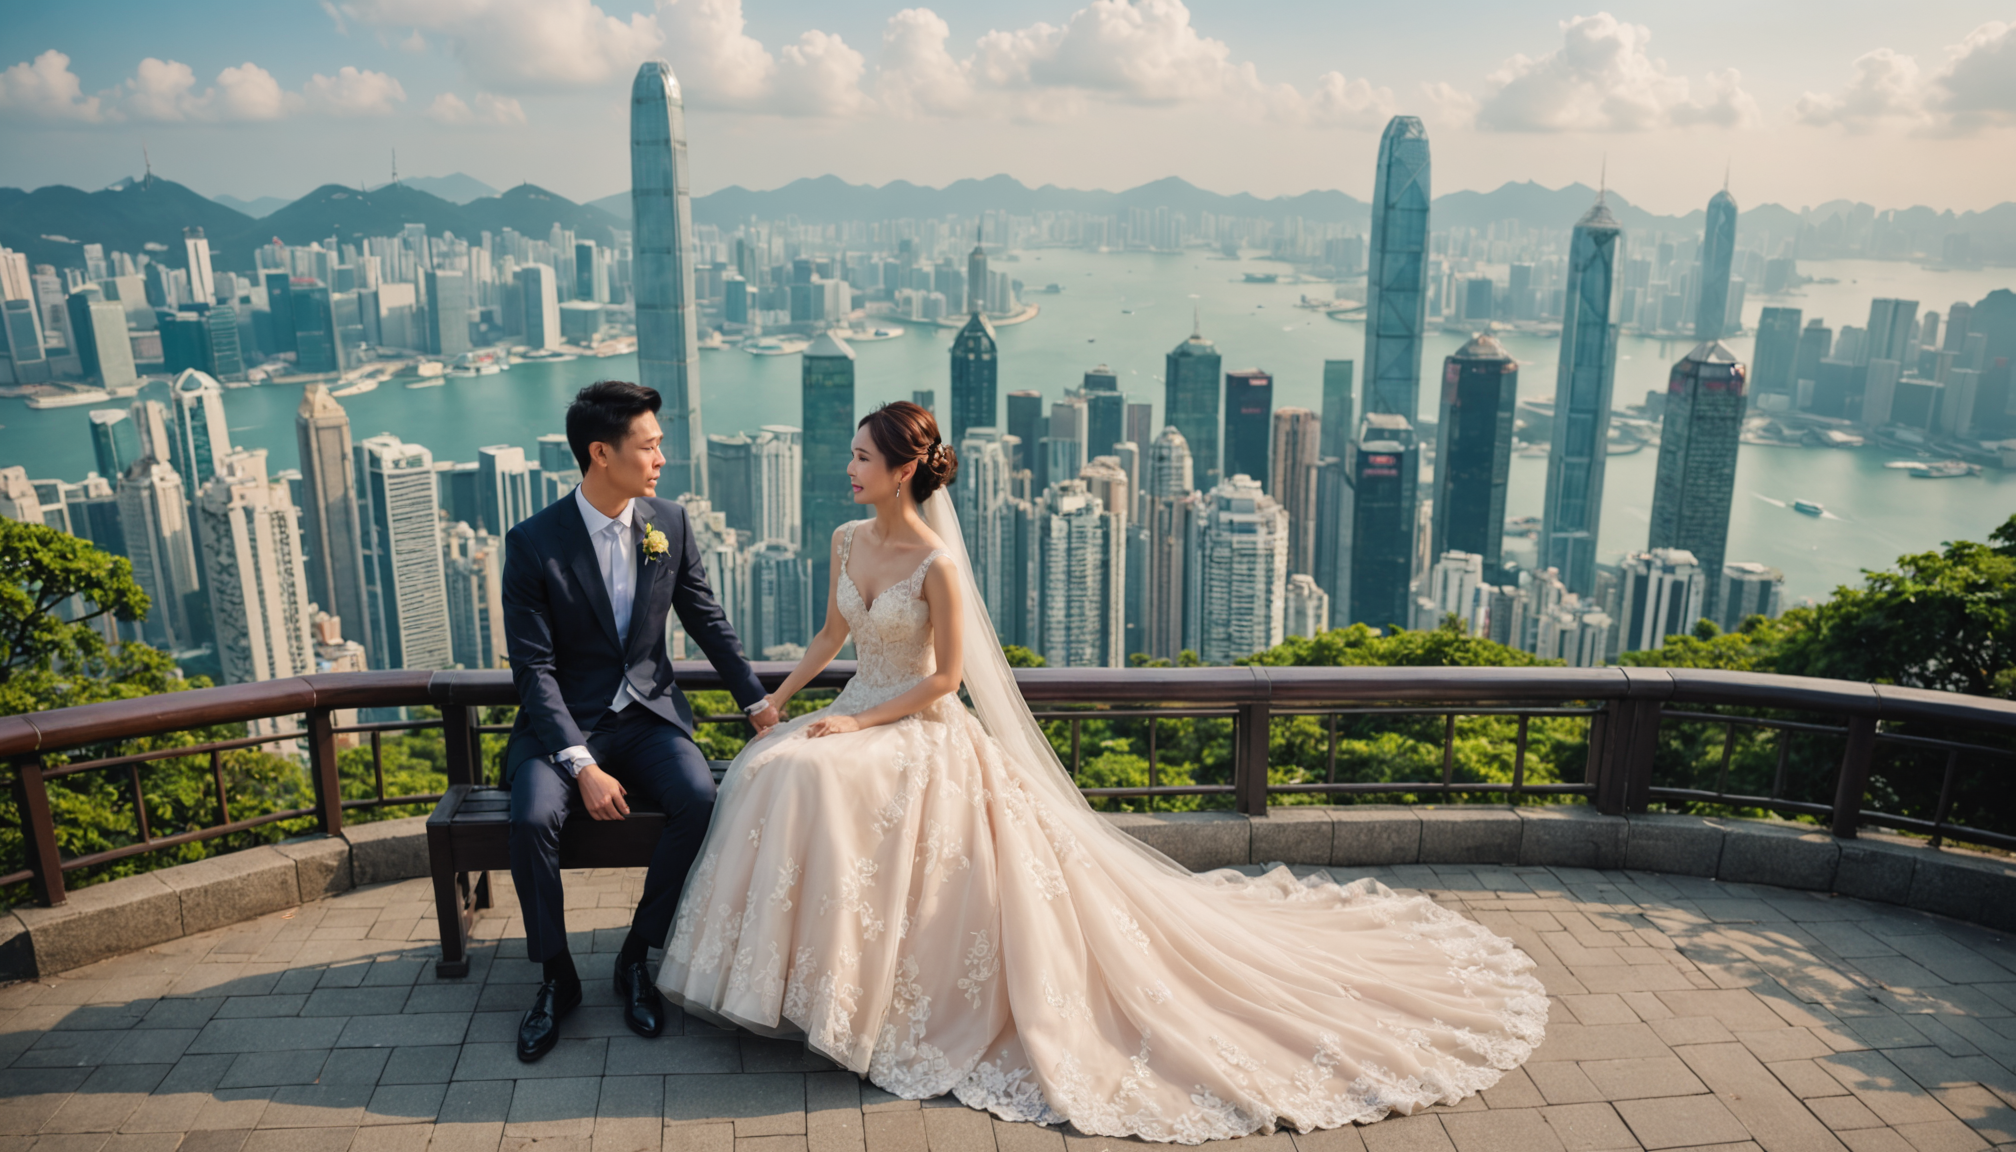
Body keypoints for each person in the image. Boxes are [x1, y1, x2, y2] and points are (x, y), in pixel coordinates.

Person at [657, 401, 1547, 1143]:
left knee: (813, 779)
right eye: (850, 455)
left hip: (917, 724)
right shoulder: (848, 538)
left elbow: (947, 679)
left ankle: (858, 998)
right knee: (769, 764)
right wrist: (781, 704)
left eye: (860, 457)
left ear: (903, 469)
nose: (847, 468)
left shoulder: (938, 563)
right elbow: (830, 636)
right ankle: (793, 980)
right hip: (857, 717)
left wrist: (852, 723)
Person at [502, 380, 779, 1063]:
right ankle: (556, 976)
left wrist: (756, 702)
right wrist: (581, 764)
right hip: (562, 729)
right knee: (533, 818)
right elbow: (533, 672)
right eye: (649, 445)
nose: (661, 458)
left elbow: (707, 621)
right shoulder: (534, 543)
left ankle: (635, 956)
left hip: (648, 717)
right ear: (601, 453)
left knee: (699, 798)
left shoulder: (669, 522)